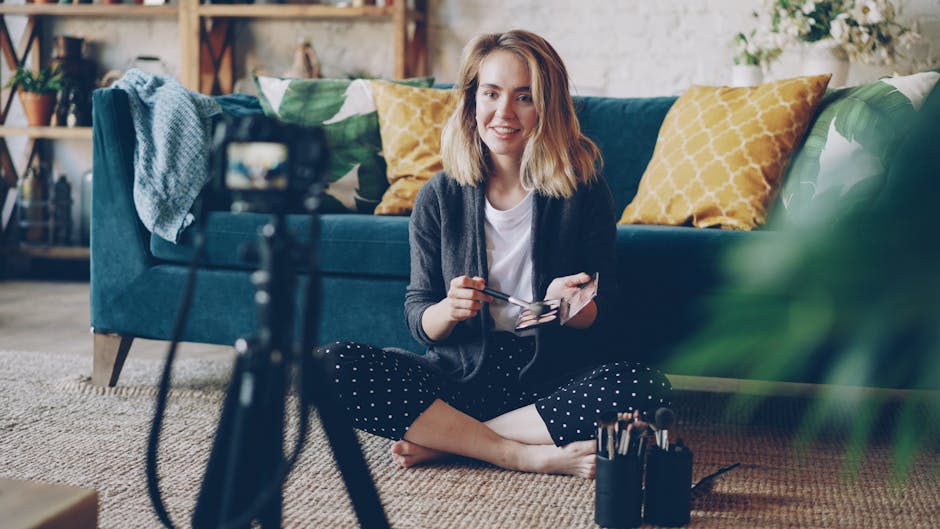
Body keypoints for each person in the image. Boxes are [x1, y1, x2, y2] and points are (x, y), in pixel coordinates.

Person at [318, 29, 671, 479]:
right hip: (456, 379)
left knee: (644, 388)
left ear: (548, 106)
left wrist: (569, 306)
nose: (504, 113)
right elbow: (418, 315)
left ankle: (454, 441)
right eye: (491, 93)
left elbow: (606, 310)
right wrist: (448, 310)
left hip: (550, 383)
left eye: (524, 97)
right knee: (327, 368)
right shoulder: (438, 197)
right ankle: (517, 453)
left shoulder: (583, 191)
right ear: (471, 100)